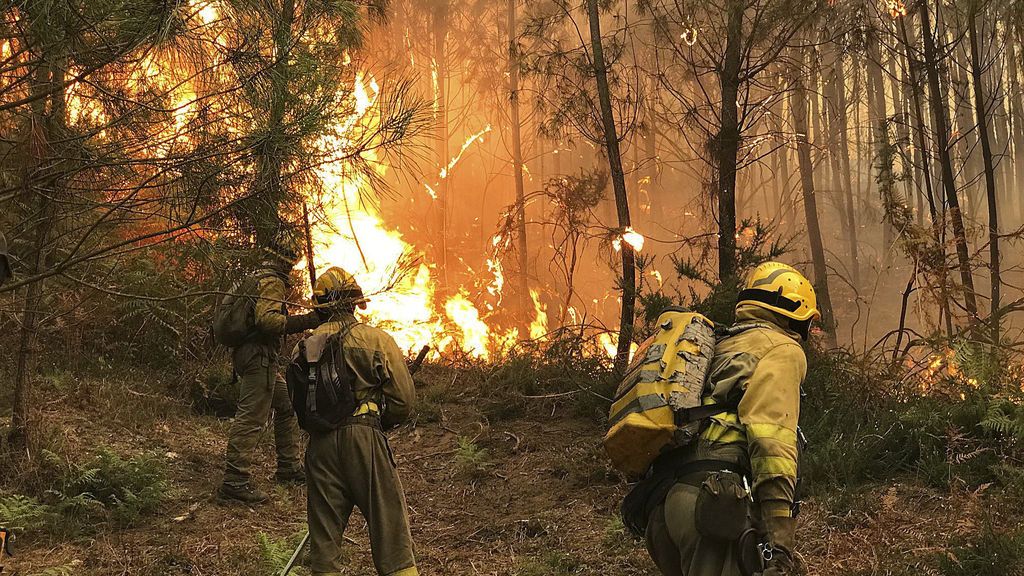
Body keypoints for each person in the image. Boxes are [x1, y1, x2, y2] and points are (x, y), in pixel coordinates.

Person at [641, 262, 819, 576]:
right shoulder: (781, 349)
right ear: (795, 314)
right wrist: (780, 540)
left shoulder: (720, 343)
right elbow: (771, 442)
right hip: (712, 509)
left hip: (666, 506)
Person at [295, 266, 419, 576]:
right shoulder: (376, 340)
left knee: (324, 545)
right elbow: (404, 401)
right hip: (364, 440)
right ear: (353, 304)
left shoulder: (303, 348)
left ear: (320, 307)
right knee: (391, 533)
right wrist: (376, 421)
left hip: (320, 447)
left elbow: (298, 402)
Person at [217, 243, 322, 504]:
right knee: (251, 417)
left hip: (250, 356)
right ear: (286, 261)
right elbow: (268, 321)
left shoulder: (254, 276)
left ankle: (289, 468)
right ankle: (234, 481)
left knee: (287, 405)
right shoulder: (272, 281)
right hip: (258, 359)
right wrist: (309, 320)